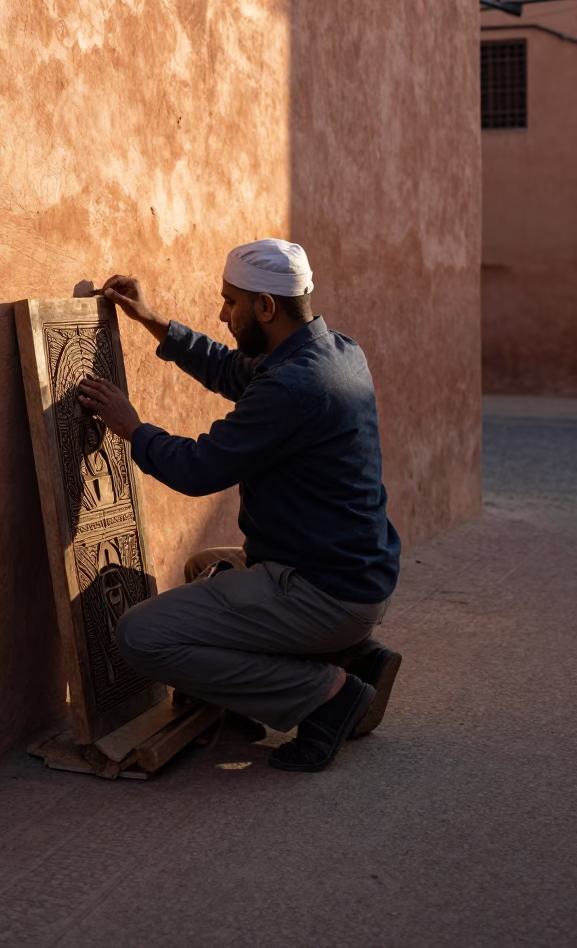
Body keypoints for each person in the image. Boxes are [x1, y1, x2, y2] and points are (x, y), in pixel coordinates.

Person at [78, 238, 401, 772]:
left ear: (266, 307)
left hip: (325, 592)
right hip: (356, 578)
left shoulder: (295, 385)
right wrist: (152, 319)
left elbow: (199, 468)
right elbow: (232, 370)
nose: (222, 313)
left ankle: (327, 693)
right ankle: (344, 654)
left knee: (140, 635)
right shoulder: (335, 351)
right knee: (204, 568)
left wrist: (130, 427)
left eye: (231, 302)